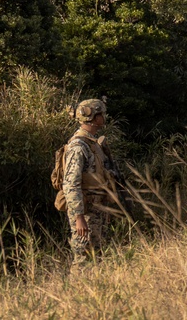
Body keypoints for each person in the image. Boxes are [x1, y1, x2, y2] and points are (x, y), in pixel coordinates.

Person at [62, 98, 120, 271]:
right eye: (101, 114)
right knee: (83, 260)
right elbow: (71, 184)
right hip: (85, 212)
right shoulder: (78, 146)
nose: (104, 117)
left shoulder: (93, 144)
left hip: (97, 210)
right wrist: (79, 217)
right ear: (93, 117)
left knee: (97, 258)